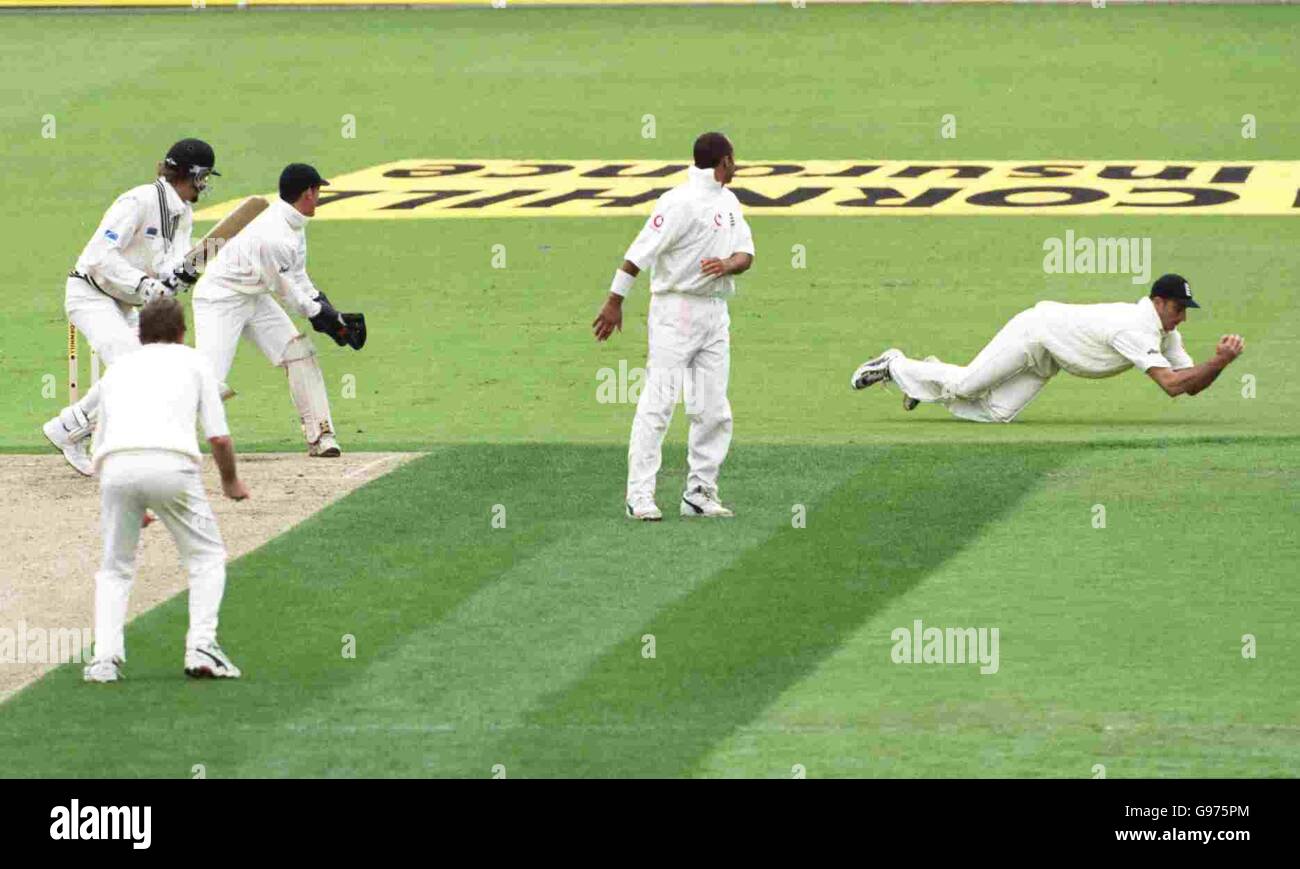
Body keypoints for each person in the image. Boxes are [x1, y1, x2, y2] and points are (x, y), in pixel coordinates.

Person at [82, 298, 248, 684]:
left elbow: (100, 447)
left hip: (116, 469)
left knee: (114, 569)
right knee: (206, 557)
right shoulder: (195, 362)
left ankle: (104, 659)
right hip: (173, 466)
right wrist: (230, 482)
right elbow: (219, 438)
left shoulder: (117, 369)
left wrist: (133, 500)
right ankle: (202, 646)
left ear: (140, 335)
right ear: (181, 332)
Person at [592, 132, 755, 520]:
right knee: (659, 402)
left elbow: (746, 253)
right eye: (733, 159)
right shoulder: (677, 202)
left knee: (713, 407)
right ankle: (640, 495)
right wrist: (615, 301)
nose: (737, 166)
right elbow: (637, 255)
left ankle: (699, 492)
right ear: (723, 162)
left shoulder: (729, 201)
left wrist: (727, 265)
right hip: (675, 309)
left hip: (715, 312)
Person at [42, 138, 217, 475]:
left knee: (146, 371)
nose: (205, 184)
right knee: (131, 369)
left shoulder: (183, 215)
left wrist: (175, 279)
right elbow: (98, 256)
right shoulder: (138, 201)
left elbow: (169, 265)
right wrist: (144, 284)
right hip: (89, 294)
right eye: (204, 176)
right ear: (191, 174)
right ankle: (76, 432)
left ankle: (72, 430)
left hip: (125, 304)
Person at [850, 274, 1245, 422]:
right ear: (1158, 302)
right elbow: (1172, 385)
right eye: (1178, 308)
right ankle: (897, 364)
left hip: (1052, 357)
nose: (1182, 317)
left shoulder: (1164, 331)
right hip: (1035, 333)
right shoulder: (1135, 328)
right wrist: (1219, 359)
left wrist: (1220, 364)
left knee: (995, 414)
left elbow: (1190, 384)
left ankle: (927, 375)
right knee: (968, 385)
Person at [193, 163, 365, 458]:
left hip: (255, 294)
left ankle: (322, 435)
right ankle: (143, 434)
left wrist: (330, 311)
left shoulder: (294, 225)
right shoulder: (274, 235)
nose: (320, 197)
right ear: (309, 193)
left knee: (300, 353)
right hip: (220, 298)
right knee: (208, 382)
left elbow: (299, 278)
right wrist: (324, 318)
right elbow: (289, 294)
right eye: (318, 191)